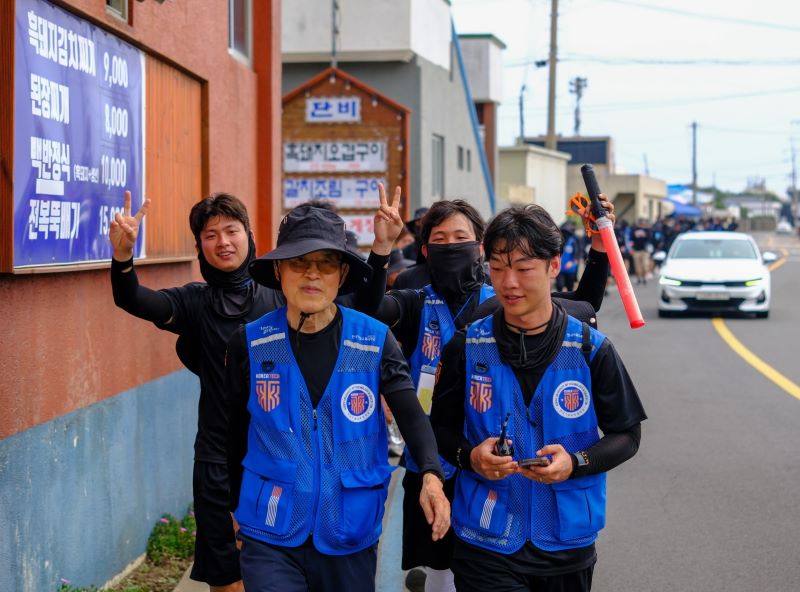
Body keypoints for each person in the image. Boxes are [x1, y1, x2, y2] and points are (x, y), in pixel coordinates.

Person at [108, 186, 402, 591]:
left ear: (250, 235)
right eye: (210, 236)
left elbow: (362, 306)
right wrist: (123, 258)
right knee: (227, 577)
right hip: (219, 456)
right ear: (199, 246)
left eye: (231, 230)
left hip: (284, 459)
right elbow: (137, 300)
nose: (223, 242)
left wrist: (381, 251)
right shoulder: (195, 302)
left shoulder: (288, 293)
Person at [370, 197, 615, 592]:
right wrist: (381, 248)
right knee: (437, 569)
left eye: (461, 237)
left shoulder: (504, 296)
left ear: (480, 246)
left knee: (476, 561)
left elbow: (583, 308)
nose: (451, 246)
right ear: (426, 249)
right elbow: (366, 312)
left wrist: (600, 246)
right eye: (440, 239)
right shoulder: (415, 300)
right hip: (433, 456)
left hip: (493, 466)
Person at [225, 205, 449, 592]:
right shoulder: (250, 342)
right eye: (299, 262)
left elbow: (413, 416)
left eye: (326, 263)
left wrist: (431, 474)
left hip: (350, 526)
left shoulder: (376, 340)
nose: (312, 274)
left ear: (342, 273)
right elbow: (229, 433)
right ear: (279, 271)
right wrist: (231, 507)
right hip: (270, 527)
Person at [430, 204, 646, 592]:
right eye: (496, 267)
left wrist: (576, 462)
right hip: (484, 541)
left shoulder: (590, 349)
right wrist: (470, 457)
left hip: (567, 544)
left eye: (523, 268)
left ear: (553, 266)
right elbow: (438, 430)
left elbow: (627, 435)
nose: (508, 282)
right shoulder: (466, 346)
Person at [556, 221, 579, 292]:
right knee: (559, 285)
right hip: (560, 268)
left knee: (570, 287)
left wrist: (572, 262)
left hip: (570, 269)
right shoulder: (558, 242)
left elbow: (576, 254)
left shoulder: (573, 241)